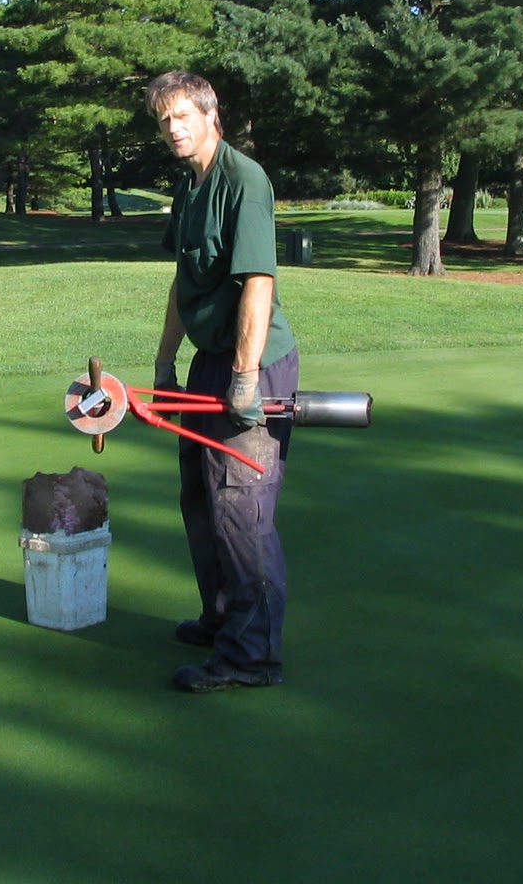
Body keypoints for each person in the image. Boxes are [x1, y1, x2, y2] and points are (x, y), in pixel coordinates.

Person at [148, 70, 299, 693]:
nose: (174, 128)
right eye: (164, 120)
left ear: (211, 114)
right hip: (208, 363)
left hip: (254, 365)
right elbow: (186, 286)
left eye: (183, 115)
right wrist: (163, 361)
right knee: (200, 497)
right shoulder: (189, 187)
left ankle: (250, 657)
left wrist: (244, 377)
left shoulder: (245, 179)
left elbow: (257, 283)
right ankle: (221, 618)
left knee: (241, 506)